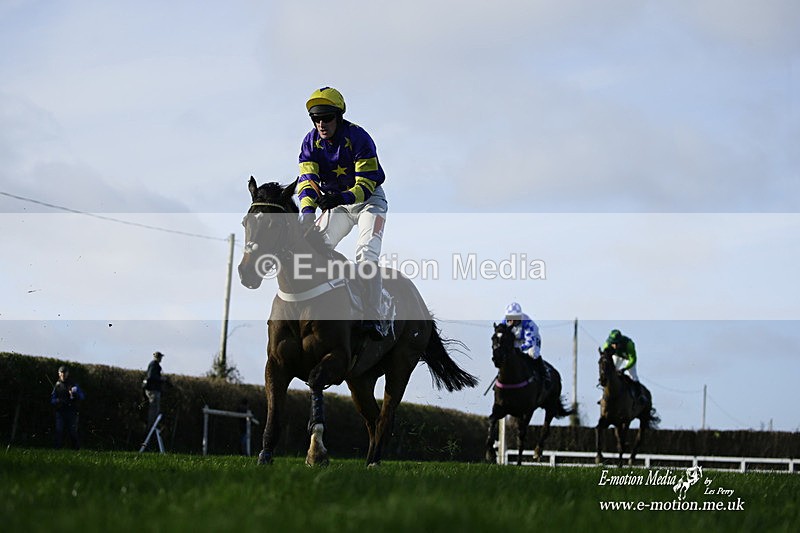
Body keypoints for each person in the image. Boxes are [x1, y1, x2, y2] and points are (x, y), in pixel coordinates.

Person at [295, 86, 388, 339]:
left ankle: (374, 315)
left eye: (327, 117)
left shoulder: (359, 138)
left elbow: (366, 185)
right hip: (337, 205)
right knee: (315, 247)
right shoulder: (309, 142)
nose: (321, 124)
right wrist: (307, 214)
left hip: (369, 202)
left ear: (339, 116)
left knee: (366, 255)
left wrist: (340, 197)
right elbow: (307, 182)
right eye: (316, 118)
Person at [501, 302, 545, 377]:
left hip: (531, 339)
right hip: (516, 340)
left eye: (515, 318)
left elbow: (529, 342)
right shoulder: (504, 322)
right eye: (510, 317)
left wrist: (519, 349)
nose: (512, 321)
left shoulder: (528, 323)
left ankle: (544, 373)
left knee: (533, 354)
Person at [50, 365, 85, 449]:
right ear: (59, 374)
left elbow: (82, 396)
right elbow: (52, 399)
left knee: (73, 432)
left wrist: (75, 394)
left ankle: (76, 449)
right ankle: (57, 449)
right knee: (59, 431)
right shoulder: (57, 385)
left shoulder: (73, 385)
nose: (63, 375)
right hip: (60, 412)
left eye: (64, 373)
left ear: (67, 374)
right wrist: (58, 401)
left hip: (72, 411)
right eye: (61, 373)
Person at [143, 351, 169, 429]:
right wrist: (161, 379)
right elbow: (151, 376)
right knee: (154, 409)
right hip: (153, 390)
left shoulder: (155, 365)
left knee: (154, 409)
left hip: (154, 390)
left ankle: (152, 425)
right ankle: (151, 426)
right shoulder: (154, 365)